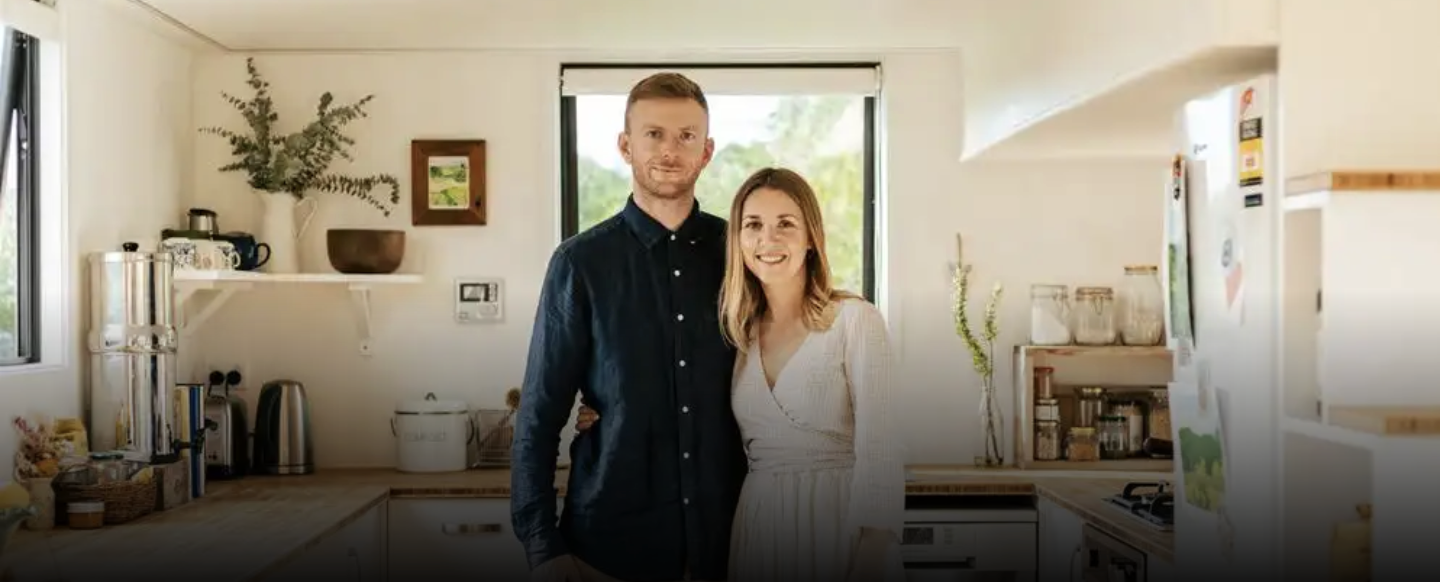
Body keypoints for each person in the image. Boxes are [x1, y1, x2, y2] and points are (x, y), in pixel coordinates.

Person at [575, 167, 907, 582]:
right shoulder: (737, 334)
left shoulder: (855, 321)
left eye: (786, 224)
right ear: (738, 241)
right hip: (759, 528)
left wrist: (872, 553)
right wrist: (604, 410)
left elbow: (883, 452)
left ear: (810, 238)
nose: (768, 240)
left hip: (839, 524)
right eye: (753, 225)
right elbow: (682, 398)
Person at [510, 71, 748, 582]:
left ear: (706, 151)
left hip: (733, 543)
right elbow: (539, 415)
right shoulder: (579, 263)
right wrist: (541, 546)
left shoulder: (740, 254)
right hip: (608, 547)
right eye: (653, 134)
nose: (670, 150)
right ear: (625, 145)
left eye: (686, 136)